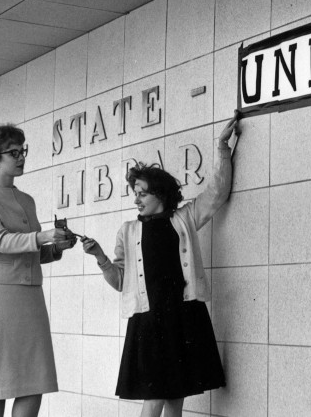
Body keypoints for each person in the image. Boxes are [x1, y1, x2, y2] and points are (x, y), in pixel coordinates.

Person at [82, 113, 239, 417]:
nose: (136, 200)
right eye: (135, 194)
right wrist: (101, 258)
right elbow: (120, 282)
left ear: (161, 194)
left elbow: (217, 192)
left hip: (183, 314)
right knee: (153, 400)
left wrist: (222, 148)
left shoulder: (184, 218)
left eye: (142, 193)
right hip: (149, 321)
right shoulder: (127, 231)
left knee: (175, 401)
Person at [0, 124, 77, 417]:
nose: (21, 157)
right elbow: (2, 242)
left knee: (35, 377)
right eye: (13, 152)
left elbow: (31, 250)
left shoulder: (26, 199)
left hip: (30, 295)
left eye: (23, 151)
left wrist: (57, 246)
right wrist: (43, 237)